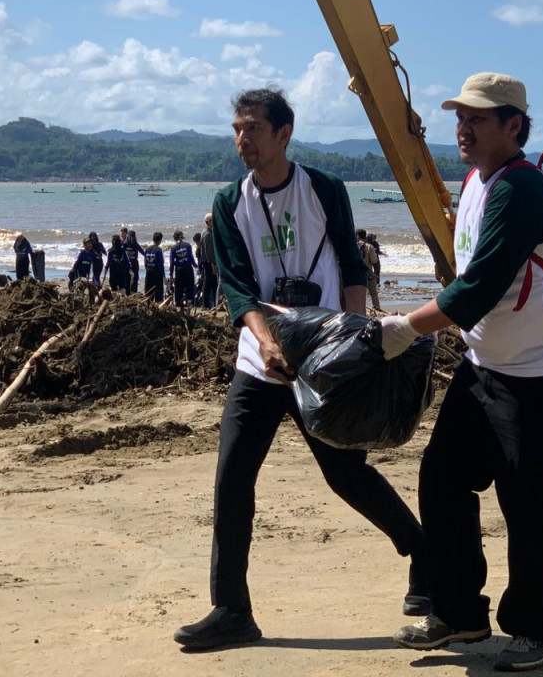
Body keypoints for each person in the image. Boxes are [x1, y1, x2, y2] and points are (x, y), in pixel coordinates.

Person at [174, 87, 427, 652]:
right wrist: (266, 344)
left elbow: (349, 262)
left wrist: (359, 340)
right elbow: (237, 289)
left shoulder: (325, 190)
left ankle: (423, 555)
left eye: (253, 129)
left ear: (284, 134)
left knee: (346, 474)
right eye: (237, 129)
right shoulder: (228, 202)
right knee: (232, 480)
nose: (243, 140)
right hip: (260, 361)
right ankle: (231, 610)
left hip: (323, 360)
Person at [381, 72, 543, 673]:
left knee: (524, 500)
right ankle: (462, 612)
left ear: (514, 125)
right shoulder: (477, 181)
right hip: (490, 368)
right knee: (442, 478)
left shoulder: (522, 190)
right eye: (461, 117)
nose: (464, 127)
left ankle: (536, 630)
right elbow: (466, 274)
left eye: (478, 118)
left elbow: (477, 290)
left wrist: (403, 328)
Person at [168, 230, 197, 306]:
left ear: (175, 238)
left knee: (179, 289)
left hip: (179, 270)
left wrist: (171, 274)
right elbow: (191, 258)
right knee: (190, 287)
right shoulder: (188, 245)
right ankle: (190, 304)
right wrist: (196, 266)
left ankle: (178, 304)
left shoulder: (173, 248)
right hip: (188, 269)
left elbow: (172, 262)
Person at [357, 228, 381, 310]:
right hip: (368, 272)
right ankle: (377, 309)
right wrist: (377, 275)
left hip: (357, 272)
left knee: (358, 294)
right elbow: (375, 262)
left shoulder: (353, 245)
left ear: (357, 236)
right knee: (373, 293)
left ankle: (359, 310)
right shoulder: (369, 247)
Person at [198, 213, 218, 307]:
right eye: (212, 220)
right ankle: (205, 304)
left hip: (208, 262)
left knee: (212, 283)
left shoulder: (207, 231)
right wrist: (213, 265)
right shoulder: (207, 234)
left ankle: (214, 303)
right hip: (209, 262)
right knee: (209, 283)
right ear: (208, 222)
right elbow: (209, 252)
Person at [144, 231, 166, 302]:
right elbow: (160, 263)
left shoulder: (147, 249)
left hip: (148, 271)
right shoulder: (158, 250)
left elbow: (145, 262)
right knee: (158, 291)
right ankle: (158, 304)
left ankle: (148, 304)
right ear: (160, 240)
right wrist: (163, 275)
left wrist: (147, 269)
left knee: (148, 290)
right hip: (156, 272)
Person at [124, 228, 143, 293]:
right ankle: (134, 291)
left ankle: (127, 291)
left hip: (126, 264)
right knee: (135, 278)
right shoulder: (136, 244)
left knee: (127, 277)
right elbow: (143, 252)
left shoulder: (124, 244)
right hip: (134, 262)